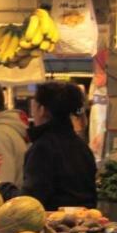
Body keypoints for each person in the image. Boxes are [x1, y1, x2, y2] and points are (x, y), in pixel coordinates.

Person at [22, 81, 97, 211]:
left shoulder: (43, 148)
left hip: (55, 225)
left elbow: (31, 201)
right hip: (86, 225)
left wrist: (3, 189)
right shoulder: (82, 147)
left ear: (42, 110)